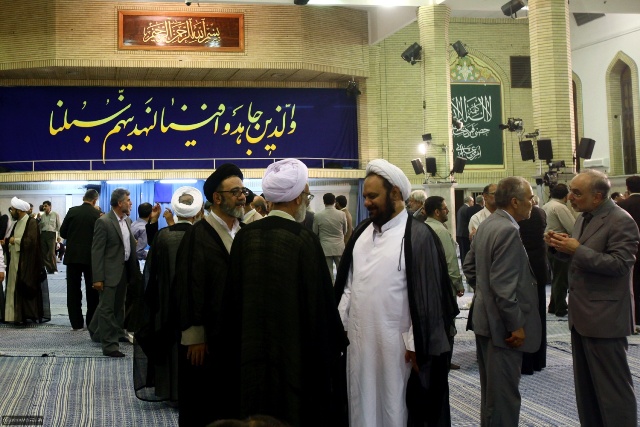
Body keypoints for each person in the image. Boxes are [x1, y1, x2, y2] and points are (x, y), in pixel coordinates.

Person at [218, 158, 348, 426]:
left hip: (249, 354)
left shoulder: (245, 237)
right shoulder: (303, 239)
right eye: (307, 196)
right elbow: (320, 308)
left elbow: (231, 300)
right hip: (293, 359)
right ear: (298, 198)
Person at [336, 159, 456, 427]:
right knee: (361, 402)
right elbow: (348, 287)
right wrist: (339, 327)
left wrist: (417, 345)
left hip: (398, 348)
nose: (366, 202)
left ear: (395, 194)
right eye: (365, 196)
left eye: (373, 196)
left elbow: (429, 298)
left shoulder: (418, 236)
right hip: (359, 343)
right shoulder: (361, 233)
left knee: (395, 407)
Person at [546, 169, 639, 426]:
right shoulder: (584, 218)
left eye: (577, 193)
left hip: (605, 318)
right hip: (582, 316)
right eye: (571, 191)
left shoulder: (621, 220)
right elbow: (580, 256)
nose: (570, 197)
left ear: (597, 197)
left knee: (613, 391)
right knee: (586, 391)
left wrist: (577, 249)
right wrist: (560, 246)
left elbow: (620, 265)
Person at [462, 176, 541, 426]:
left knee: (493, 395)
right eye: (530, 198)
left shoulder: (488, 223)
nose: (533, 203)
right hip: (502, 327)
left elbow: (470, 267)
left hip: (485, 320)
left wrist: (484, 293)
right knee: (504, 398)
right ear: (515, 202)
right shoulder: (507, 230)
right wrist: (515, 325)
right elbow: (504, 287)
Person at [174, 163, 246, 427]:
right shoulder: (198, 235)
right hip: (206, 339)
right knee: (205, 402)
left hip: (236, 335)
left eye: (243, 191)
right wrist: (195, 336)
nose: (242, 197)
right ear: (217, 198)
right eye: (235, 192)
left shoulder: (245, 233)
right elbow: (188, 285)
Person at [134, 186, 204, 404]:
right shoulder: (201, 236)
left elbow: (151, 275)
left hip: (164, 306)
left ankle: (169, 389)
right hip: (194, 307)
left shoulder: (164, 237)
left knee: (170, 347)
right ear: (197, 211)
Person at [89, 188, 140, 357]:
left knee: (119, 307)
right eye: (128, 200)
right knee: (107, 309)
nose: (131, 203)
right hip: (108, 273)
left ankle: (111, 333)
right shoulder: (104, 222)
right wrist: (98, 278)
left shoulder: (127, 221)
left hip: (124, 271)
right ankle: (110, 345)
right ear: (119, 203)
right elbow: (97, 251)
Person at [424, 196, 464, 370]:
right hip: (444, 286)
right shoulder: (441, 231)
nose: (448, 211)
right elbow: (450, 261)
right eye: (445, 208)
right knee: (448, 322)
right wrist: (458, 284)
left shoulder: (422, 228)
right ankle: (445, 361)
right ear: (437, 212)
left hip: (427, 285)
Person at [59, 189, 101, 331]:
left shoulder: (72, 211)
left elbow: (63, 233)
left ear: (83, 198)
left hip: (73, 257)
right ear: (95, 200)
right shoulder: (97, 215)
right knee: (92, 292)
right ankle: (91, 322)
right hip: (91, 257)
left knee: (73, 290)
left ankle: (76, 323)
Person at [4, 197, 50, 324]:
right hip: (15, 261)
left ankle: (25, 315)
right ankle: (13, 316)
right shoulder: (17, 223)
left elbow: (31, 242)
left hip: (26, 264)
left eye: (12, 210)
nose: (11, 212)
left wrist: (15, 241)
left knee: (24, 287)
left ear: (19, 211)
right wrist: (8, 242)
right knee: (13, 287)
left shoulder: (31, 222)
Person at [518, 203, 549, 375]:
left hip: (522, 271)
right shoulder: (539, 212)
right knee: (538, 316)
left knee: (523, 316)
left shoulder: (517, 215)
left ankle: (525, 362)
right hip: (538, 268)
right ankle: (537, 360)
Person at [541, 184, 575, 317]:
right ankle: (561, 307)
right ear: (566, 196)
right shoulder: (560, 207)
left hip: (549, 245)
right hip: (560, 245)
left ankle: (553, 305)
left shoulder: (546, 205)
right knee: (561, 278)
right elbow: (572, 228)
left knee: (556, 276)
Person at [617, 175, 640, 332]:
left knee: (632, 285)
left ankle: (635, 318)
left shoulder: (621, 206)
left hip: (629, 251)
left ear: (627, 187)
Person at [313, 193, 347, 283]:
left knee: (328, 274)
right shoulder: (342, 214)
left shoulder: (317, 215)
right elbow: (345, 231)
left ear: (323, 202)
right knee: (341, 272)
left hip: (325, 248)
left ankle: (330, 289)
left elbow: (315, 232)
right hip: (339, 247)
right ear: (334, 201)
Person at [39, 200, 61, 274]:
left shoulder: (55, 214)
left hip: (51, 234)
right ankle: (49, 269)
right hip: (43, 234)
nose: (44, 207)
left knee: (51, 253)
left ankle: (54, 269)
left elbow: (58, 226)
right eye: (43, 206)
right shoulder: (42, 216)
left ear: (50, 206)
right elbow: (39, 227)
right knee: (44, 254)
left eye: (46, 206)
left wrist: (59, 237)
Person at [456, 195, 474, 265]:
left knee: (462, 252)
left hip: (460, 233)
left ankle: (463, 264)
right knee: (466, 251)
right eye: (472, 201)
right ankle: (466, 265)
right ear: (469, 201)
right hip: (465, 233)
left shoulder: (461, 208)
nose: (473, 203)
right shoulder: (467, 209)